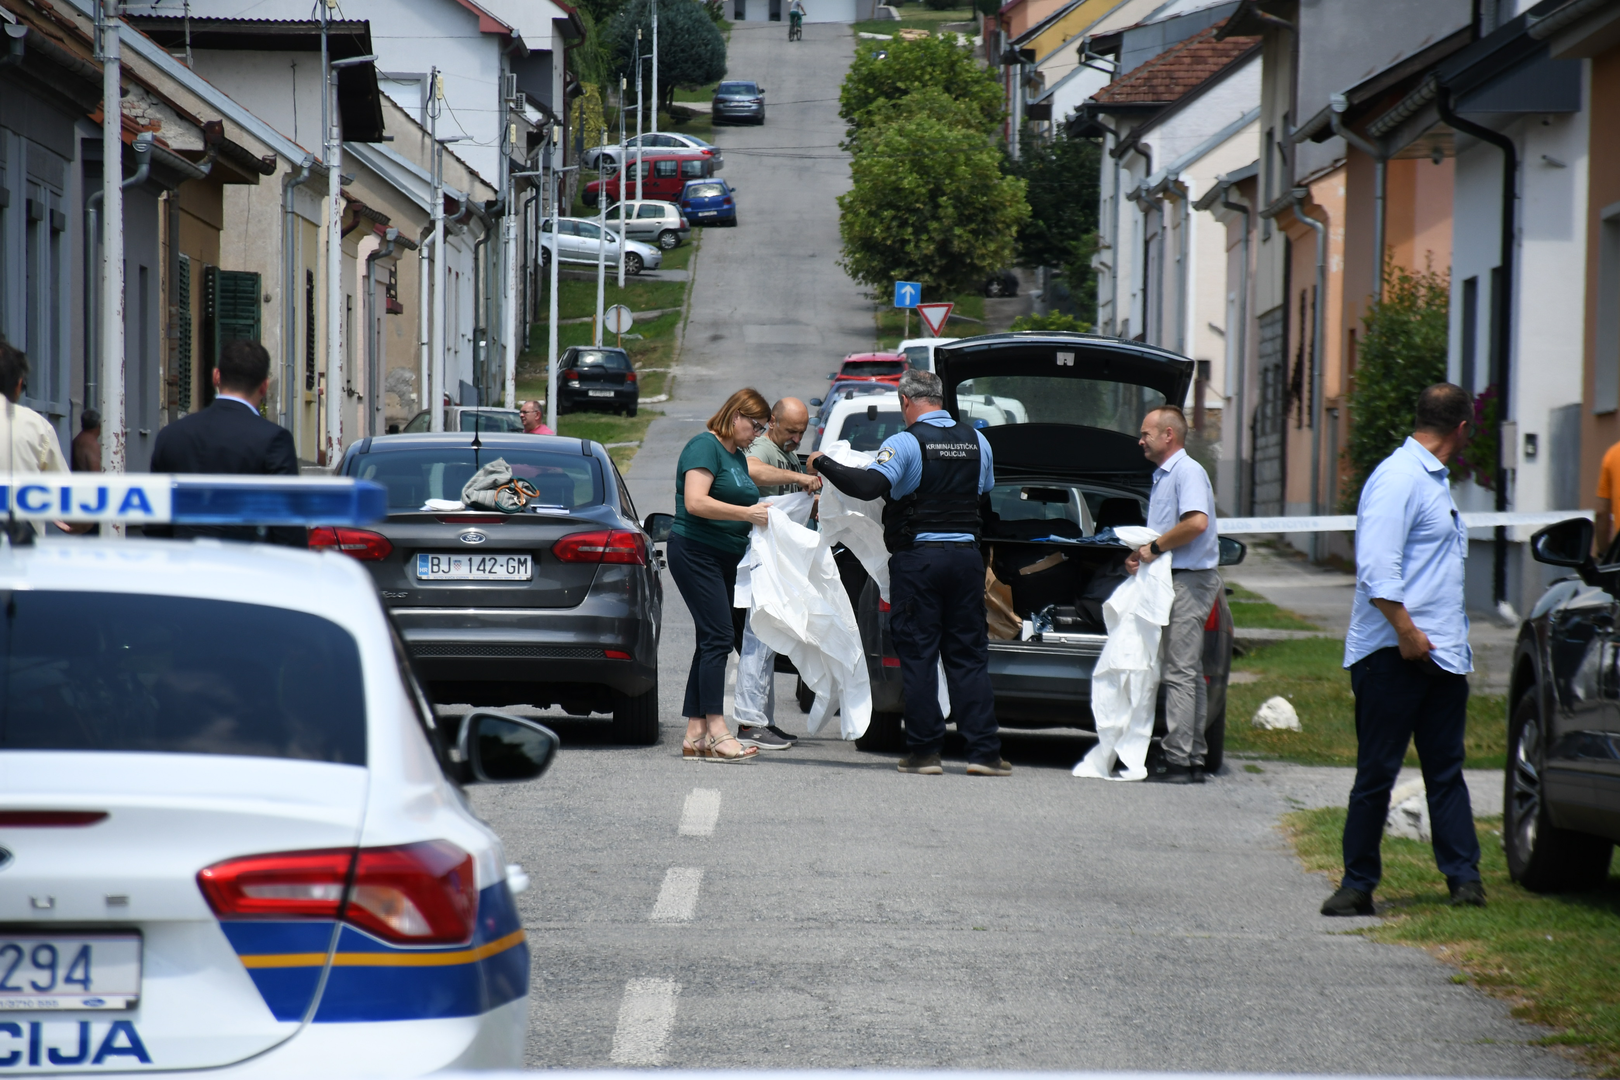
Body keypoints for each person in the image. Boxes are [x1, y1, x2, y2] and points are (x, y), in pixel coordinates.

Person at [1323, 383, 1484, 916]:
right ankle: (1357, 884)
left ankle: (1464, 879)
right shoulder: (1399, 478)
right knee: (1377, 771)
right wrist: (1405, 630)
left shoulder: (1432, 481)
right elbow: (1377, 566)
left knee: (1445, 770)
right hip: (1393, 653)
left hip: (1440, 654)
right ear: (1461, 429)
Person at [808, 369, 1008, 776]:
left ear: (906, 401)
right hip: (966, 560)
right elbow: (984, 500)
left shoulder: (905, 442)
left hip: (920, 561)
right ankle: (984, 754)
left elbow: (866, 487)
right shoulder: (978, 441)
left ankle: (925, 753)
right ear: (940, 398)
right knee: (968, 656)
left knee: (918, 655)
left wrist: (822, 462)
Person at [670, 388, 776, 763]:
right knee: (718, 636)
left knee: (709, 639)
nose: (758, 434)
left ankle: (695, 733)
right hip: (696, 551)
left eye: (763, 427)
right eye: (755, 425)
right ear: (735, 417)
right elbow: (696, 502)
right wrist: (748, 515)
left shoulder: (736, 456)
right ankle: (718, 730)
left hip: (725, 557)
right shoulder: (705, 446)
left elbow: (752, 487)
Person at [1127, 404, 1220, 784]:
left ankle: (1179, 758)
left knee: (1180, 670)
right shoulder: (1165, 475)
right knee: (1189, 672)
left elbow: (1196, 522)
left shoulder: (1187, 471)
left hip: (1189, 581)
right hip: (1175, 577)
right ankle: (1192, 756)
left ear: (1169, 435)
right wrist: (1143, 556)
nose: (1140, 440)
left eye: (1146, 433)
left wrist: (1155, 549)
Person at [149, 339, 304, 546]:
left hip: (182, 568)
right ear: (264, 386)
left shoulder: (171, 435)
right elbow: (287, 528)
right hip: (246, 571)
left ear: (216, 376)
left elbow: (155, 524)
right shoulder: (274, 440)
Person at [735, 396, 823, 750]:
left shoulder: (784, 452)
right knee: (758, 639)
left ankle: (763, 719)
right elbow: (752, 470)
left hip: (776, 562)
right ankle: (748, 722)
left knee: (769, 642)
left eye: (802, 433)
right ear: (772, 422)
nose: (797, 440)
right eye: (791, 431)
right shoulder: (762, 447)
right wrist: (799, 477)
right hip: (760, 561)